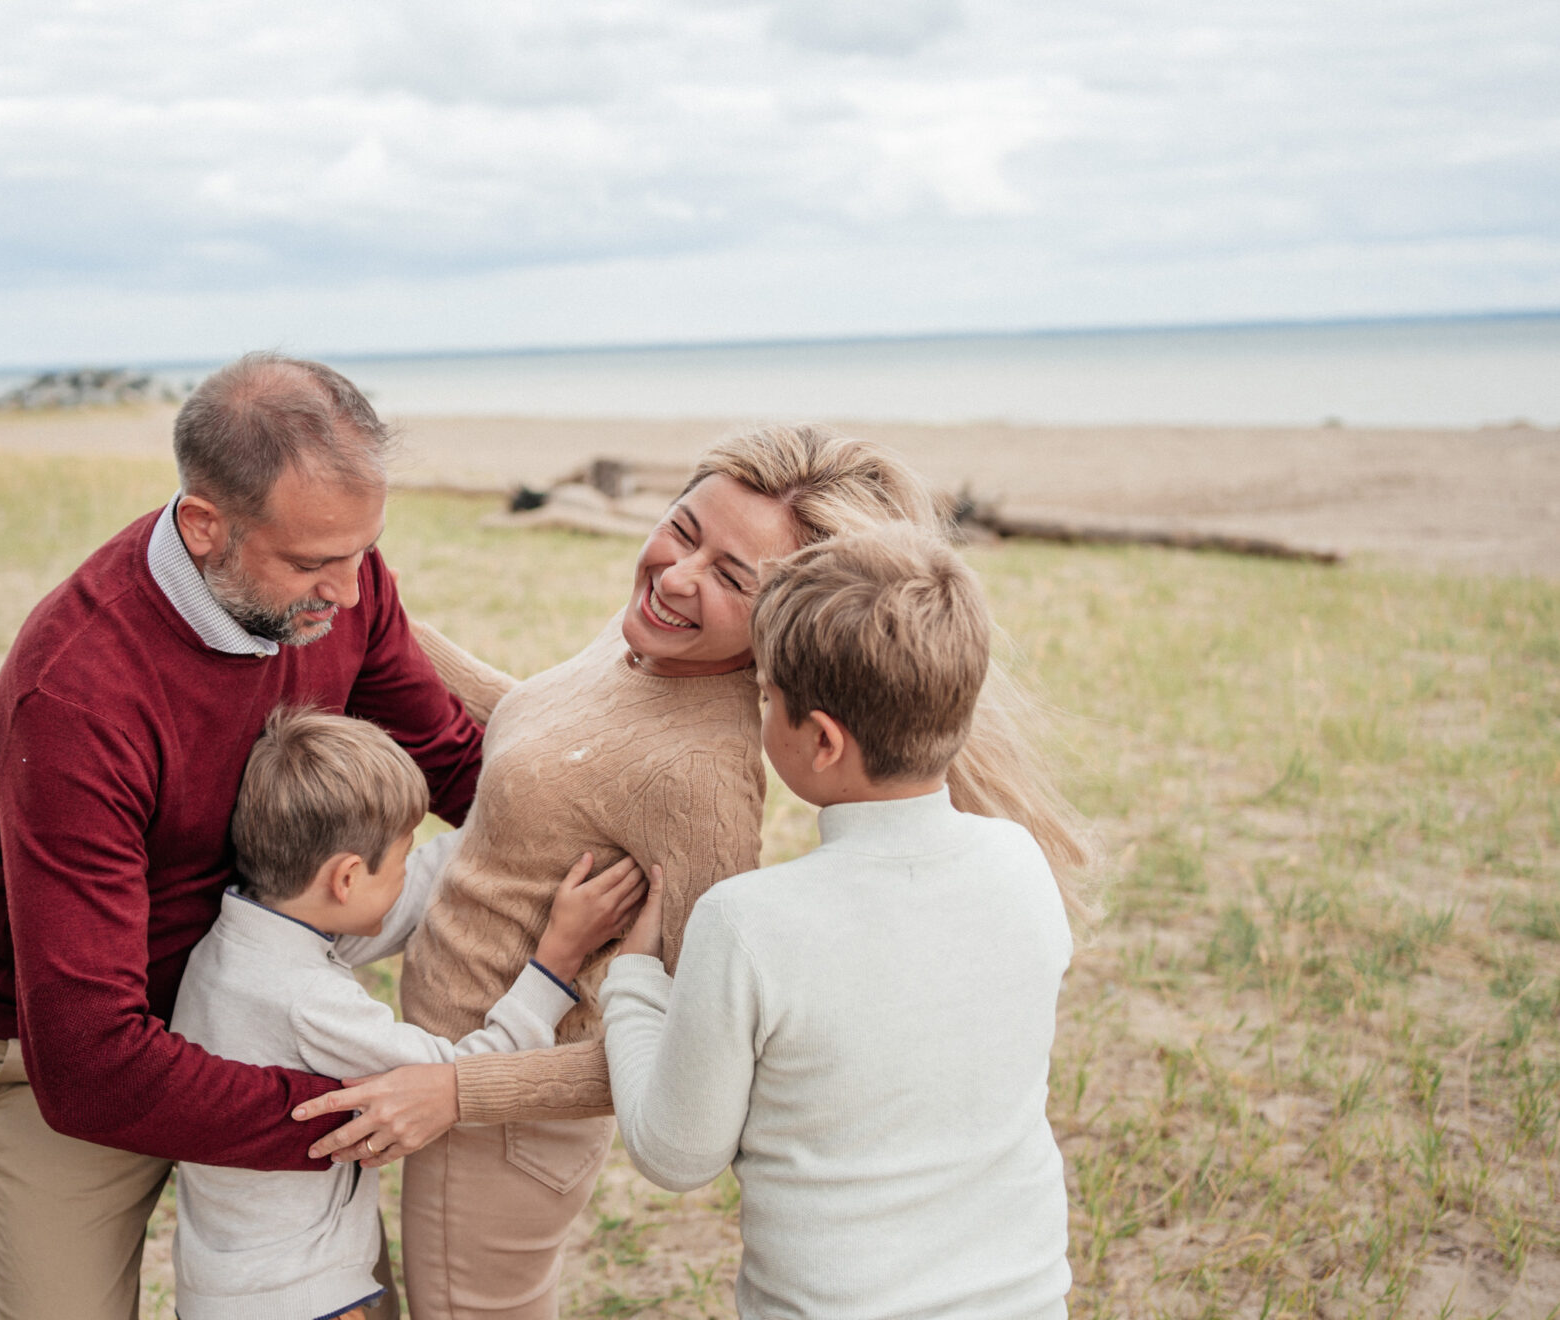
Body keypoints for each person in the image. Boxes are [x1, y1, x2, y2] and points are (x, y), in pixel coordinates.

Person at [290, 425, 1095, 1319]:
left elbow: (680, 1061)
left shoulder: (703, 782)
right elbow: (557, 733)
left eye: (732, 577)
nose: (678, 576)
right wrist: (383, 618)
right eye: (682, 529)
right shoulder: (647, 637)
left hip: (496, 1114)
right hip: (454, 1074)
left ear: (781, 631)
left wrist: (455, 1092)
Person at [0, 353, 502, 1320]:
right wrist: (358, 1113)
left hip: (269, 1002)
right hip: (77, 1053)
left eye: (363, 551)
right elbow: (89, 1067)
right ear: (205, 526)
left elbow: (456, 764)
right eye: (313, 563)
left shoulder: (344, 583)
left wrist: (588, 843)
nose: (349, 591)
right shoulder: (76, 695)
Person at [601, 523, 1074, 1319]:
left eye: (767, 698)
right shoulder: (1022, 863)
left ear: (822, 740)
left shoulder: (747, 923)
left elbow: (677, 1154)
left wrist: (633, 981)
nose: (761, 711)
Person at [168, 706, 646, 1320]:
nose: (406, 872)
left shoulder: (234, 945)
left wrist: (513, 822)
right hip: (301, 1300)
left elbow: (416, 886)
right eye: (399, 859)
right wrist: (558, 956)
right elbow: (462, 1071)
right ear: (346, 878)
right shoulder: (308, 1002)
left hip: (223, 1287)